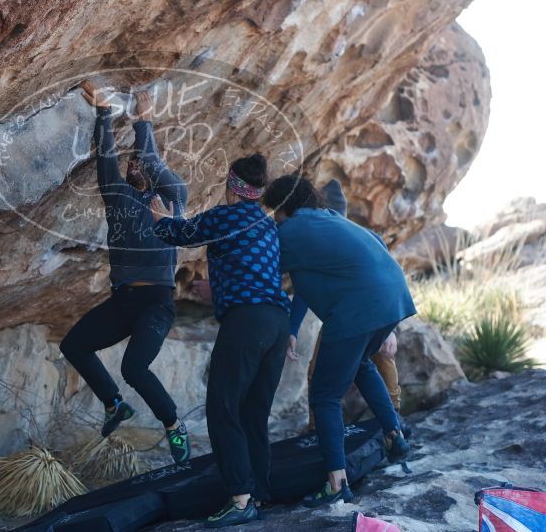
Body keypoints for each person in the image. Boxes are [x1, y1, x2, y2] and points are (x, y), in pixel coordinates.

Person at [151, 154, 291, 529]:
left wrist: (158, 214)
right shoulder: (267, 225)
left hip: (246, 321)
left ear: (231, 187)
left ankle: (240, 500)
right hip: (277, 321)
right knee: (253, 412)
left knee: (223, 407)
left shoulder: (224, 216)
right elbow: (254, 271)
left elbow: (174, 233)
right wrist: (218, 289)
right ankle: (259, 492)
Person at [263, 175, 415, 508]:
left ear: (285, 208)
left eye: (274, 209)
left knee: (325, 395)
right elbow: (307, 283)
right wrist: (292, 326)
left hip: (358, 309)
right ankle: (395, 436)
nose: (272, 217)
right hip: (393, 299)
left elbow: (260, 268)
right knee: (360, 363)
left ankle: (336, 483)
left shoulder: (290, 232)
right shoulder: (329, 220)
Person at [59, 80, 191, 464]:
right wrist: (103, 113)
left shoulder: (172, 197)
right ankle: (115, 405)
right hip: (124, 300)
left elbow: (150, 160)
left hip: (157, 303)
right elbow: (105, 157)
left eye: (141, 162)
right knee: (74, 345)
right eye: (130, 162)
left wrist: (143, 122)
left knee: (134, 367)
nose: (134, 164)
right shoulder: (116, 195)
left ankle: (173, 426)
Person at [287, 180, 404, 433]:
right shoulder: (318, 236)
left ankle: (394, 420)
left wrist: (392, 330)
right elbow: (304, 289)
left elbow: (386, 280)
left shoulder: (360, 235)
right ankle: (317, 428)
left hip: (367, 314)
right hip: (344, 317)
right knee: (321, 369)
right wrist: (293, 328)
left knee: (381, 358)